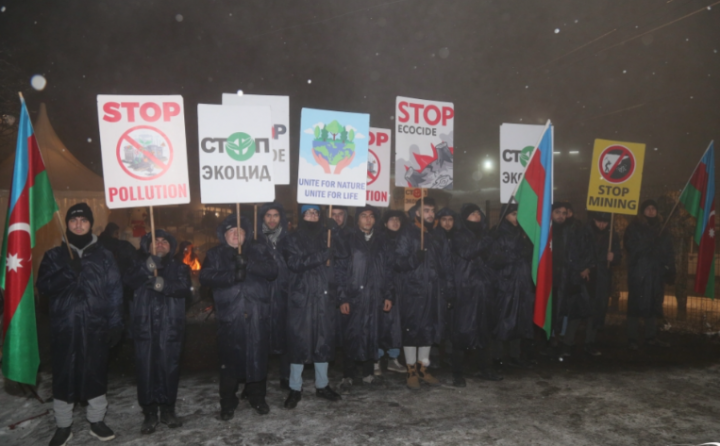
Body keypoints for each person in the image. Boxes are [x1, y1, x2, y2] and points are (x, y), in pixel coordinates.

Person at [37, 203, 122, 446]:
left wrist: (115, 323)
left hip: (96, 326)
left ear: (90, 224)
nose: (78, 224)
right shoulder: (54, 255)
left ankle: (96, 421)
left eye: (83, 220)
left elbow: (115, 291)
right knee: (64, 375)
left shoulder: (104, 256)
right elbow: (43, 286)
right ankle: (63, 426)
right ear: (67, 224)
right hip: (65, 327)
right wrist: (67, 273)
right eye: (73, 220)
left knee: (95, 373)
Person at [199, 214, 278, 421]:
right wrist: (233, 275)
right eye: (231, 231)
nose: (236, 235)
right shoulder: (215, 254)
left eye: (240, 231)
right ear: (224, 235)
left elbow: (272, 271)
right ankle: (227, 401)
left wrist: (249, 263)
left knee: (257, 357)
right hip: (230, 315)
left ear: (246, 235)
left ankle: (257, 397)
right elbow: (205, 277)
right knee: (229, 360)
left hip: (256, 314)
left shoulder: (258, 250)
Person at [123, 230, 191, 434]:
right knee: (146, 369)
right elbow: (128, 282)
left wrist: (162, 284)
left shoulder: (180, 267)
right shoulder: (138, 266)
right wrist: (149, 266)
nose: (160, 245)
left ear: (171, 246)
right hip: (145, 326)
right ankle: (150, 413)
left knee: (169, 368)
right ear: (148, 246)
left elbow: (184, 288)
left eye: (164, 242)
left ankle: (168, 410)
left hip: (171, 326)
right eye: (156, 242)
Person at [281, 205, 344, 408]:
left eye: (316, 213)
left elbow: (344, 253)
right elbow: (295, 263)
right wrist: (321, 256)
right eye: (308, 213)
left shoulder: (327, 235)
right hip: (301, 298)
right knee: (298, 343)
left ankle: (322, 385)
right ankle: (294, 387)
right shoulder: (292, 238)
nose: (312, 216)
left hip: (324, 297)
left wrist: (336, 231)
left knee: (322, 342)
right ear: (301, 216)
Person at [395, 197, 453, 389]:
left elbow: (446, 264)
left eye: (432, 210)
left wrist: (448, 288)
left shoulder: (438, 234)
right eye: (425, 210)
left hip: (434, 290)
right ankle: (410, 369)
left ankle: (422, 367)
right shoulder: (407, 233)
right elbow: (399, 263)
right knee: (412, 329)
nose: (430, 214)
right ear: (418, 212)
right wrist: (414, 259)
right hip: (413, 290)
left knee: (429, 328)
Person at [336, 205, 393, 393]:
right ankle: (348, 375)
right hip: (354, 296)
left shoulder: (383, 240)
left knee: (372, 334)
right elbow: (340, 270)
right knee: (351, 335)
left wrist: (388, 294)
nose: (367, 219)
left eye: (371, 216)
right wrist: (343, 297)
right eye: (363, 216)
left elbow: (388, 270)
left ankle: (369, 374)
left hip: (375, 295)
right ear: (357, 219)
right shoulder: (348, 239)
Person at [449, 204, 502, 386]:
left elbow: (494, 259)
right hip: (466, 289)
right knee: (463, 330)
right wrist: (487, 241)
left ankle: (485, 368)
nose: (476, 216)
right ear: (464, 217)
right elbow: (467, 252)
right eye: (472, 213)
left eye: (478, 213)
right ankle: (457, 372)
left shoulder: (485, 235)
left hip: (484, 288)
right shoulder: (458, 235)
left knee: (484, 329)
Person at [488, 203, 534, 368]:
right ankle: (497, 356)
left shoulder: (524, 233)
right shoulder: (497, 234)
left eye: (518, 214)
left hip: (521, 282)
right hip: (505, 283)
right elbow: (493, 260)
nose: (517, 218)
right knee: (502, 320)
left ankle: (516, 354)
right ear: (505, 215)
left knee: (520, 319)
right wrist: (514, 253)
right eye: (514, 214)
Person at [624, 199, 675, 349]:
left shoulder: (663, 229)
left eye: (654, 208)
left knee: (654, 303)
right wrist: (649, 241)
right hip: (639, 272)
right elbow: (631, 247)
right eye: (648, 208)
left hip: (656, 273)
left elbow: (669, 251)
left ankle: (651, 337)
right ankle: (632, 338)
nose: (651, 211)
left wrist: (670, 269)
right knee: (635, 305)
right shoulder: (634, 227)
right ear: (642, 211)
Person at [551, 202, 593, 357]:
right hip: (551, 276)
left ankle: (562, 337)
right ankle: (551, 337)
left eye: (564, 212)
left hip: (568, 276)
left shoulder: (574, 230)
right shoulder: (546, 230)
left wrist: (584, 267)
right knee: (552, 306)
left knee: (566, 307)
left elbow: (581, 251)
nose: (561, 216)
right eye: (558, 212)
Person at [257, 202, 291, 389]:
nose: (272, 219)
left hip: (284, 294)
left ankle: (285, 377)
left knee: (286, 338)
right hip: (262, 296)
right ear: (262, 217)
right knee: (259, 339)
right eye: (268, 215)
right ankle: (256, 380)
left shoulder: (288, 240)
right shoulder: (255, 240)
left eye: (275, 215)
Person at [581, 212, 622, 355]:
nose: (602, 225)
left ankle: (589, 342)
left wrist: (614, 256)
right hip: (586, 276)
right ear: (593, 220)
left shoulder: (612, 236)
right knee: (579, 309)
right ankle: (566, 343)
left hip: (602, 277)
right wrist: (584, 266)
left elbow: (619, 256)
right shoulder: (585, 233)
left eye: (605, 222)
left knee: (597, 310)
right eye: (599, 221)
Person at [377, 211, 407, 374]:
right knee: (381, 322)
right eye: (391, 219)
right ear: (384, 223)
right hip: (384, 286)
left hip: (402, 286)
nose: (395, 222)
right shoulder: (379, 239)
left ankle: (393, 358)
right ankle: (377, 357)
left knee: (396, 324)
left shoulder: (405, 238)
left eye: (398, 219)